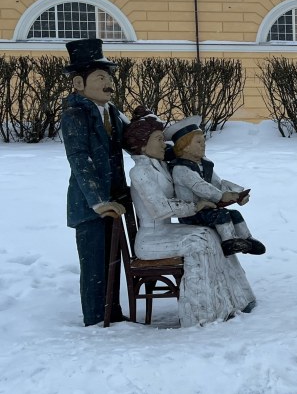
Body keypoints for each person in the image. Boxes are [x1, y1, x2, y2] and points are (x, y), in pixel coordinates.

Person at [125, 107, 256, 326]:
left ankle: (233, 300)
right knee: (200, 241)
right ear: (142, 146)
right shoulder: (140, 172)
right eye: (158, 139)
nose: (163, 144)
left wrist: (226, 195)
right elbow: (159, 209)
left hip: (167, 232)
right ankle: (202, 313)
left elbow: (201, 183)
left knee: (211, 233)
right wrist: (194, 207)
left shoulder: (162, 166)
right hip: (152, 240)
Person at [60, 38, 129, 326]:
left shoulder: (111, 112)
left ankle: (112, 312)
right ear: (79, 83)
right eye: (100, 77)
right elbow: (80, 160)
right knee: (93, 265)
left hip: (115, 200)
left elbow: (134, 141)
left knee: (111, 261)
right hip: (89, 206)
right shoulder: (75, 115)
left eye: (109, 76)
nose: (108, 82)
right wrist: (98, 201)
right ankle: (95, 317)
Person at [164, 117, 266, 257]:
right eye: (199, 142)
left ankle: (247, 240)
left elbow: (219, 183)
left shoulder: (204, 165)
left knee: (234, 214)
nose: (203, 145)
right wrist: (221, 196)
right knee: (221, 214)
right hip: (192, 213)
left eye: (204, 142)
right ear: (185, 147)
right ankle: (229, 242)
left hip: (207, 210)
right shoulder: (181, 169)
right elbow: (200, 186)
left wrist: (237, 193)